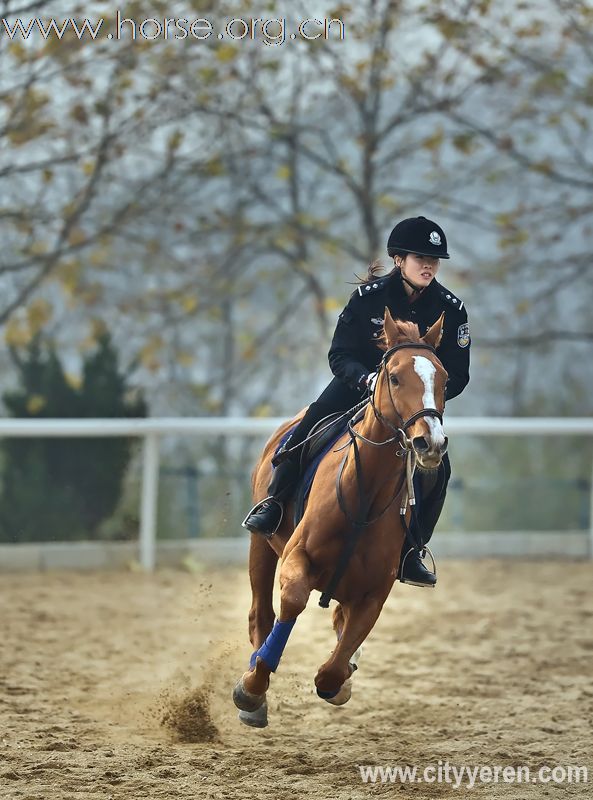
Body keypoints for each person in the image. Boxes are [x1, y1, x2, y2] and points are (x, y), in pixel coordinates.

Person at [243, 216, 470, 587]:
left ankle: (412, 552)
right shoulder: (368, 298)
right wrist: (369, 380)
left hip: (412, 408)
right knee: (304, 429)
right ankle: (272, 505)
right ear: (399, 259)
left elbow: (458, 374)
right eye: (420, 257)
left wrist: (422, 398)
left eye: (434, 259)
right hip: (355, 387)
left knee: (439, 471)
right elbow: (340, 355)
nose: (428, 265)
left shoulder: (452, 309)